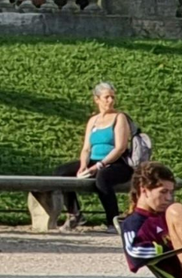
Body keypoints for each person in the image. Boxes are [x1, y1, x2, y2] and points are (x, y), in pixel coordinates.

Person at [37, 81, 137, 229]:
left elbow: (120, 148)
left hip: (117, 163)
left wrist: (99, 165)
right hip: (93, 161)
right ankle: (75, 214)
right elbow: (86, 148)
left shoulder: (119, 117)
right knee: (61, 172)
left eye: (112, 97)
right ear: (97, 99)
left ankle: (112, 221)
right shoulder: (93, 121)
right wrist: (84, 164)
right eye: (106, 97)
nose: (110, 100)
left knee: (102, 178)